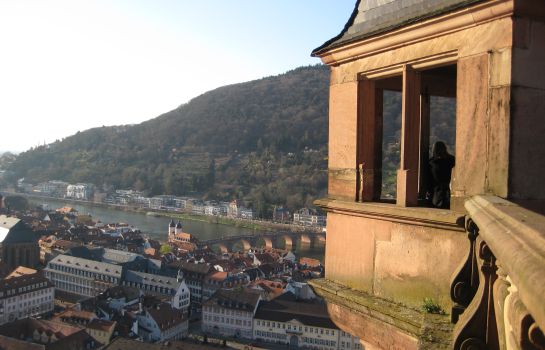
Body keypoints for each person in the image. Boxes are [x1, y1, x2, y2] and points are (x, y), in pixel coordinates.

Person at [428, 141, 455, 209]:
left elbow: (429, 180)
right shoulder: (451, 160)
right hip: (448, 192)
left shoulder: (431, 162)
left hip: (436, 193)